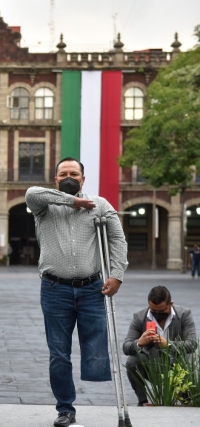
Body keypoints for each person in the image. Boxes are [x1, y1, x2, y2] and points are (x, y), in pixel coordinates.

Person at [25, 157, 128, 427]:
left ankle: (102, 390)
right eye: (63, 174)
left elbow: (117, 239)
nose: (69, 177)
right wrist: (73, 202)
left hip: (92, 288)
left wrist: (117, 274)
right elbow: (30, 193)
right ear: (55, 179)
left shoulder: (100, 205)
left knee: (95, 349)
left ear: (83, 179)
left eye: (74, 173)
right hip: (54, 288)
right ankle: (65, 409)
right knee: (58, 352)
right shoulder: (43, 206)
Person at [123, 286, 197, 405]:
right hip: (151, 364)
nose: (157, 314)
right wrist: (139, 343)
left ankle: (185, 401)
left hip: (177, 365)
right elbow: (126, 347)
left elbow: (192, 344)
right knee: (132, 361)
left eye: (162, 311)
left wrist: (168, 344)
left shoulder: (184, 315)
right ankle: (142, 401)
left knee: (186, 401)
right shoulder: (139, 317)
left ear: (171, 304)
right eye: (153, 310)